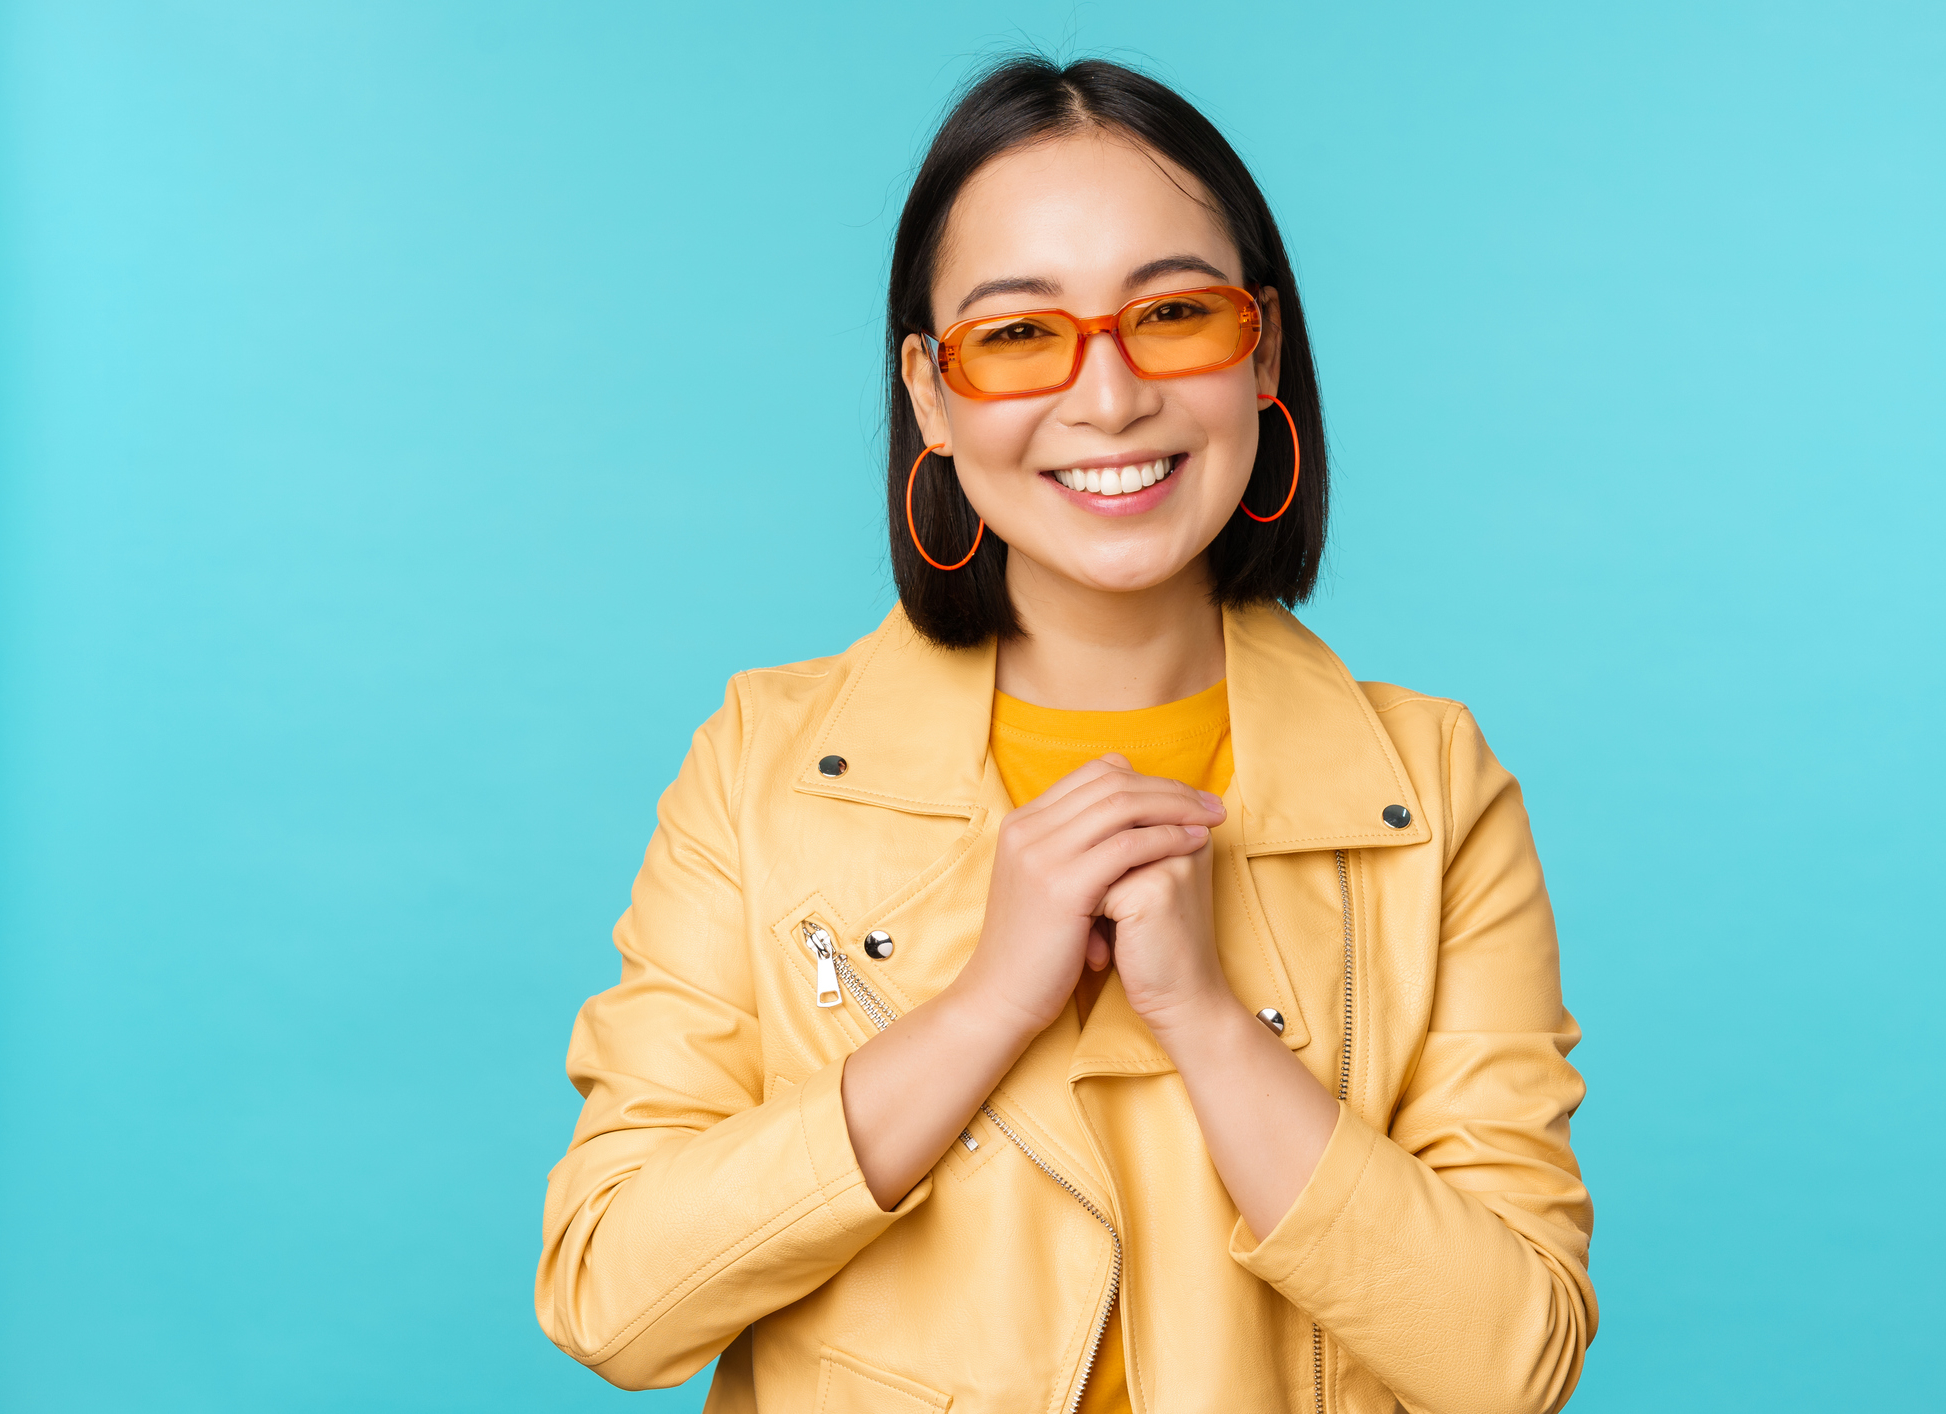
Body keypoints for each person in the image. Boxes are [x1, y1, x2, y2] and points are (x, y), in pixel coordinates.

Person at [536, 55, 1595, 1414]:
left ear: (1262, 350)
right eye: (1020, 334)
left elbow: (1512, 1362)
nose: (1107, 399)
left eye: (1171, 314)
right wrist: (985, 1006)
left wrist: (1204, 1020)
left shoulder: (1430, 789)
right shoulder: (763, 762)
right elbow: (610, 1299)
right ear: (927, 390)